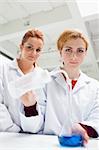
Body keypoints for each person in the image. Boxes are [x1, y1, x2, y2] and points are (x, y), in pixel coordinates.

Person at [40, 29, 99, 144]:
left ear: (85, 53)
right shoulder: (45, 81)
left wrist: (82, 128)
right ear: (60, 52)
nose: (74, 56)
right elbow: (34, 123)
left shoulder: (95, 86)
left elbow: (97, 117)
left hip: (82, 142)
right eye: (68, 50)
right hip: (48, 143)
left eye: (80, 51)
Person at [0, 28, 45, 133]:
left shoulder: (41, 77)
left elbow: (42, 111)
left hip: (32, 136)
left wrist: (31, 128)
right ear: (21, 46)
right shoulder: (3, 69)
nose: (33, 53)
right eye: (29, 47)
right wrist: (13, 131)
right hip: (6, 134)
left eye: (38, 50)